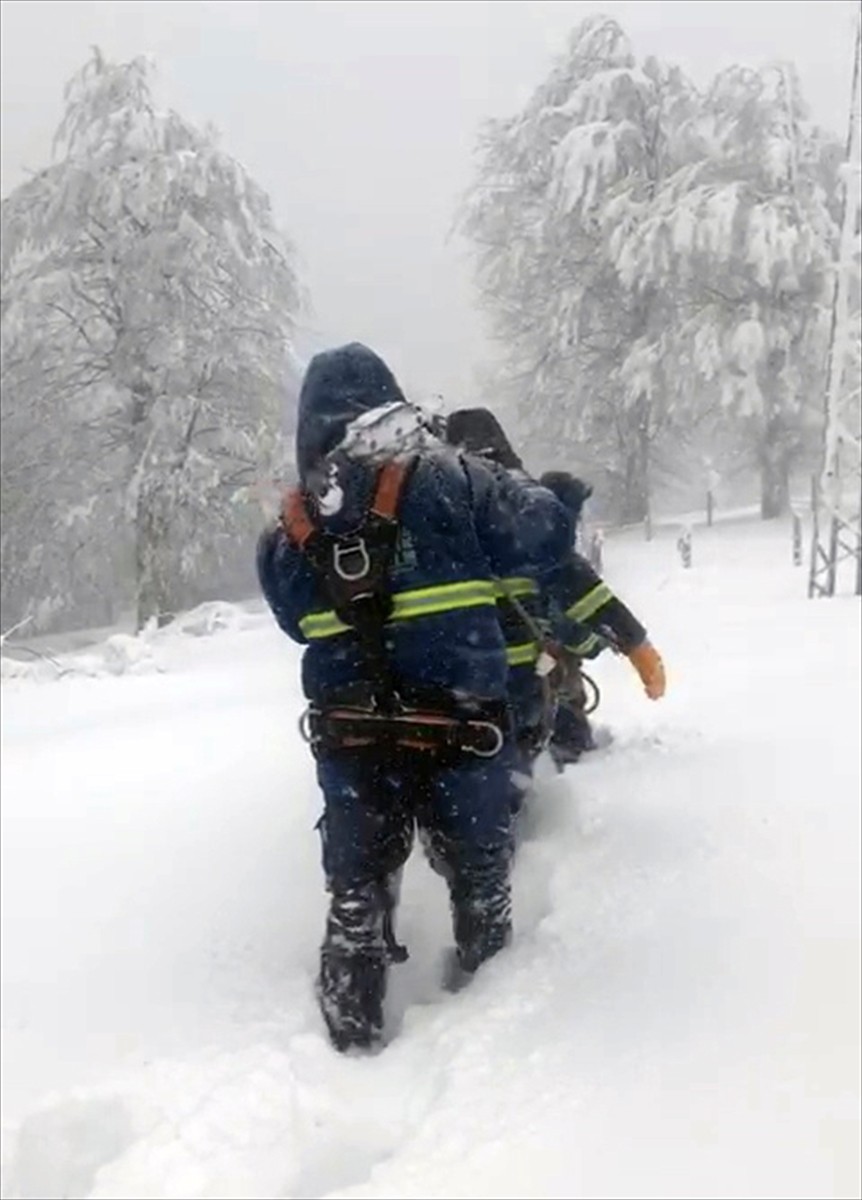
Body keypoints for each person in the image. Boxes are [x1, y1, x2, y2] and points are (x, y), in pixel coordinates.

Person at [256, 344, 573, 1052]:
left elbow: (290, 619)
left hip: (353, 740)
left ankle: (351, 1024)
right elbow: (543, 535)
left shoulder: (289, 532)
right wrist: (554, 494)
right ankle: (488, 1013)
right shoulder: (455, 478)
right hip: (462, 729)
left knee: (358, 879)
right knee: (477, 867)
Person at [444, 410, 666, 776]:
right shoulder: (520, 507)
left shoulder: (433, 505)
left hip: (452, 685)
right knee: (519, 766)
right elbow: (575, 585)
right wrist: (632, 641)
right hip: (518, 683)